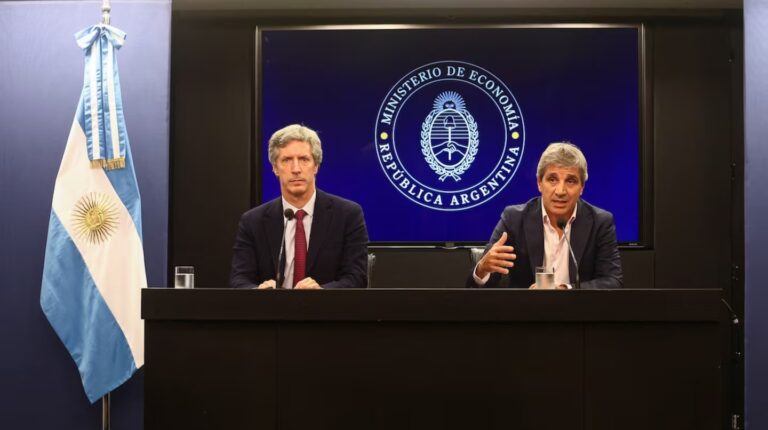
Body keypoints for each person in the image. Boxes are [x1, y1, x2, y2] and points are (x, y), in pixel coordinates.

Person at [230, 124, 369, 289]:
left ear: (316, 166)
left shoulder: (348, 215)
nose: (296, 169)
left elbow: (356, 278)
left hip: (326, 306)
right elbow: (239, 280)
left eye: (304, 159)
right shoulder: (253, 221)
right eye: (287, 160)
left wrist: (321, 292)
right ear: (275, 168)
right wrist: (258, 291)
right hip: (270, 306)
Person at [468, 142, 622, 289]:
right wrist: (482, 269)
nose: (560, 191)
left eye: (571, 181)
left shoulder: (600, 222)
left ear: (582, 187)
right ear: (539, 183)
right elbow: (481, 287)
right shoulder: (514, 219)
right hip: (527, 307)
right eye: (552, 179)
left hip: (578, 307)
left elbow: (613, 281)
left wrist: (565, 290)